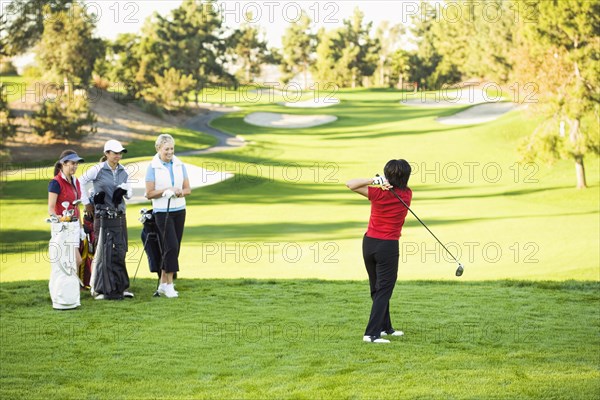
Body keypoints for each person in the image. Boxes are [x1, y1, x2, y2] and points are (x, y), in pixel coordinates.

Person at [346, 159, 412, 343]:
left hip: (369, 244)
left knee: (378, 288)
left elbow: (350, 184)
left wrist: (374, 181)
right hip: (387, 246)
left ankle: (385, 328)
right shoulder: (407, 194)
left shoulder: (378, 194)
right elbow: (350, 185)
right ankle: (371, 334)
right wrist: (382, 184)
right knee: (383, 290)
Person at [79, 139, 133, 300]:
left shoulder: (124, 171)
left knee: (120, 251)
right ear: (106, 154)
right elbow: (80, 181)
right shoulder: (98, 169)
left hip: (119, 215)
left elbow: (129, 194)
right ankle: (99, 288)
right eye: (115, 153)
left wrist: (123, 191)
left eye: (120, 153)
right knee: (102, 253)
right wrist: (87, 203)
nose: (118, 156)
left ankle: (119, 287)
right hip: (102, 217)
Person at [145, 134, 191, 298]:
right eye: (166, 149)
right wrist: (166, 191)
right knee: (170, 246)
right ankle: (170, 285)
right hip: (162, 212)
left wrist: (178, 193)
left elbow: (187, 189)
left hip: (179, 210)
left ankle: (164, 283)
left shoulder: (179, 164)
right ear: (158, 149)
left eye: (172, 148)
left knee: (174, 247)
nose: (170, 152)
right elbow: (149, 193)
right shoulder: (153, 167)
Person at [48, 150, 85, 270]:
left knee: (71, 262)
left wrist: (80, 227)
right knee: (75, 260)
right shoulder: (56, 182)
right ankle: (69, 287)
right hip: (62, 227)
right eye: (72, 163)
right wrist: (58, 220)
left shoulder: (76, 181)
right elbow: (51, 207)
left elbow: (76, 206)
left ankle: (73, 287)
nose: (75, 166)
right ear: (63, 164)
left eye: (76, 164)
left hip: (74, 227)